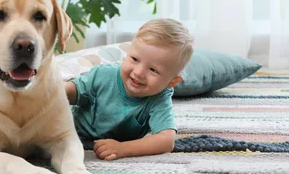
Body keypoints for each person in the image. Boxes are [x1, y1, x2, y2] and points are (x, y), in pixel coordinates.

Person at [65, 18, 194, 160]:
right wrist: (50, 92)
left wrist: (123, 148)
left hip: (106, 144)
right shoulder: (104, 75)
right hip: (69, 131)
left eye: (153, 70)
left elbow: (167, 140)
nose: (139, 72)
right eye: (135, 59)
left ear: (172, 82)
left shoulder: (159, 97)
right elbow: (71, 91)